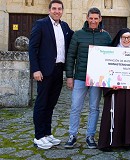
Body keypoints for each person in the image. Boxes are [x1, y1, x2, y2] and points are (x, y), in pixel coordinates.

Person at [64, 7, 112, 149]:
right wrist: (69, 76)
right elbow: (71, 56)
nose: (93, 21)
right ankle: (72, 135)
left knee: (94, 108)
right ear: (87, 18)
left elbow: (115, 53)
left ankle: (90, 136)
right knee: (75, 107)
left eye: (96, 18)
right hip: (80, 77)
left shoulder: (106, 36)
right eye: (91, 18)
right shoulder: (78, 35)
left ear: (100, 19)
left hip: (97, 79)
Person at [28, 0, 73, 149]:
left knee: (51, 104)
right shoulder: (41, 24)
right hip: (44, 71)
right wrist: (35, 69)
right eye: (54, 8)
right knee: (41, 104)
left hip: (58, 70)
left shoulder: (65, 26)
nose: (57, 11)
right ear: (49, 10)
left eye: (59, 9)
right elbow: (32, 48)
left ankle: (47, 134)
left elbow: (77, 38)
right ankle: (38, 136)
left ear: (62, 11)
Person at [98, 28, 130, 152]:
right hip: (116, 90)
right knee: (114, 114)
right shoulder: (113, 51)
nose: (126, 40)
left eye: (129, 37)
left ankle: (128, 142)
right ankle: (109, 142)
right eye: (124, 37)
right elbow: (104, 69)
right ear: (120, 38)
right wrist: (109, 84)